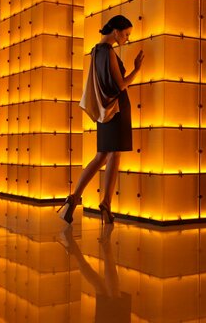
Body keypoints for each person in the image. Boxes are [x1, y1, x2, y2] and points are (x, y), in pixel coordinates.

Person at [58, 15, 144, 224]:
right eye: (125, 34)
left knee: (102, 156)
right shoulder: (108, 52)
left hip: (105, 110)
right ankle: (105, 203)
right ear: (115, 31)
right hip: (117, 109)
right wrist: (137, 69)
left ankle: (74, 198)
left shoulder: (95, 51)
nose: (126, 38)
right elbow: (121, 85)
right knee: (113, 156)